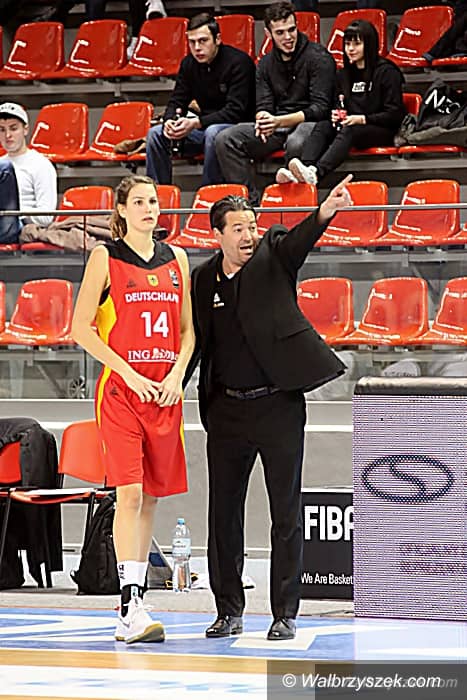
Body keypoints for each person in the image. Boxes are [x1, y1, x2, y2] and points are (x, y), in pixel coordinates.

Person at [187, 175, 352, 641]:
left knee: (285, 513)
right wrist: (172, 386)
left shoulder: (273, 254)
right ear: (218, 234)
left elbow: (298, 241)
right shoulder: (202, 278)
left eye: (251, 226)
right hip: (226, 411)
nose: (248, 235)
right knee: (223, 515)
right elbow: (197, 341)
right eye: (238, 228)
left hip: (278, 405)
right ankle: (228, 610)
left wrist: (324, 211)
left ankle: (284, 612)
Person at [71, 174, 195, 644]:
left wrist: (177, 376)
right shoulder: (106, 257)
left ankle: (137, 601)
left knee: (152, 498)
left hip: (164, 394)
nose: (149, 209)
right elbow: (81, 328)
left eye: (154, 201)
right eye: (139, 202)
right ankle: (129, 605)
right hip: (122, 393)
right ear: (121, 210)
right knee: (130, 494)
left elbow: (187, 332)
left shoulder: (177, 258)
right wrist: (129, 373)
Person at [215, 1, 335, 204]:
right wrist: (263, 118)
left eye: (291, 30)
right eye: (280, 33)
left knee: (296, 142)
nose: (288, 37)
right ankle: (248, 205)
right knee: (225, 139)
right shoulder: (265, 64)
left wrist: (279, 121)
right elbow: (264, 104)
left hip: (311, 124)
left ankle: (294, 205)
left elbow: (320, 109)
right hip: (278, 125)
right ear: (268, 33)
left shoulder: (319, 57)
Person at [276, 19, 405, 185]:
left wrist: (363, 119)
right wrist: (336, 114)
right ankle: (305, 169)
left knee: (351, 130)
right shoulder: (343, 75)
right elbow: (339, 104)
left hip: (381, 129)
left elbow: (394, 115)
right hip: (351, 125)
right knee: (324, 125)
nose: (350, 49)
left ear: (370, 45)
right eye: (347, 44)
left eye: (357, 44)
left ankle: (317, 173)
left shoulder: (387, 72)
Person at [145, 13, 256, 187]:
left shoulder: (239, 62)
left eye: (203, 41)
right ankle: (156, 194)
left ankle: (208, 195)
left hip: (236, 129)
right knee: (156, 134)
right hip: (202, 127)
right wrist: (170, 121)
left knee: (214, 132)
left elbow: (235, 111)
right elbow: (177, 100)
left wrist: (196, 123)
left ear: (217, 39)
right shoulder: (188, 64)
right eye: (192, 42)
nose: (197, 48)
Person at [0, 102, 57, 244]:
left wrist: (17, 213)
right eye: (1, 130)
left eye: (13, 129)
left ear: (25, 130)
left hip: (18, 226)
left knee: (5, 168)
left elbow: (46, 217)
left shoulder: (41, 164)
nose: (8, 135)